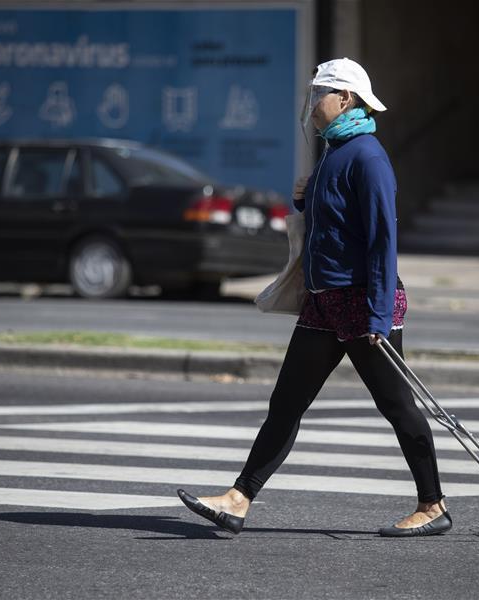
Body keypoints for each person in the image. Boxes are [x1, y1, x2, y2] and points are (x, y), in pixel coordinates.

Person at [178, 58, 450, 537]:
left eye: (318, 93)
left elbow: (382, 239)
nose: (311, 103)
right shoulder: (334, 152)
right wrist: (306, 199)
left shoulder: (367, 155)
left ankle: (432, 505)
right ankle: (239, 499)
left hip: (364, 304)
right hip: (324, 302)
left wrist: (379, 314)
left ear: (344, 98)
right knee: (285, 404)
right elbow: (335, 223)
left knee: (398, 407)